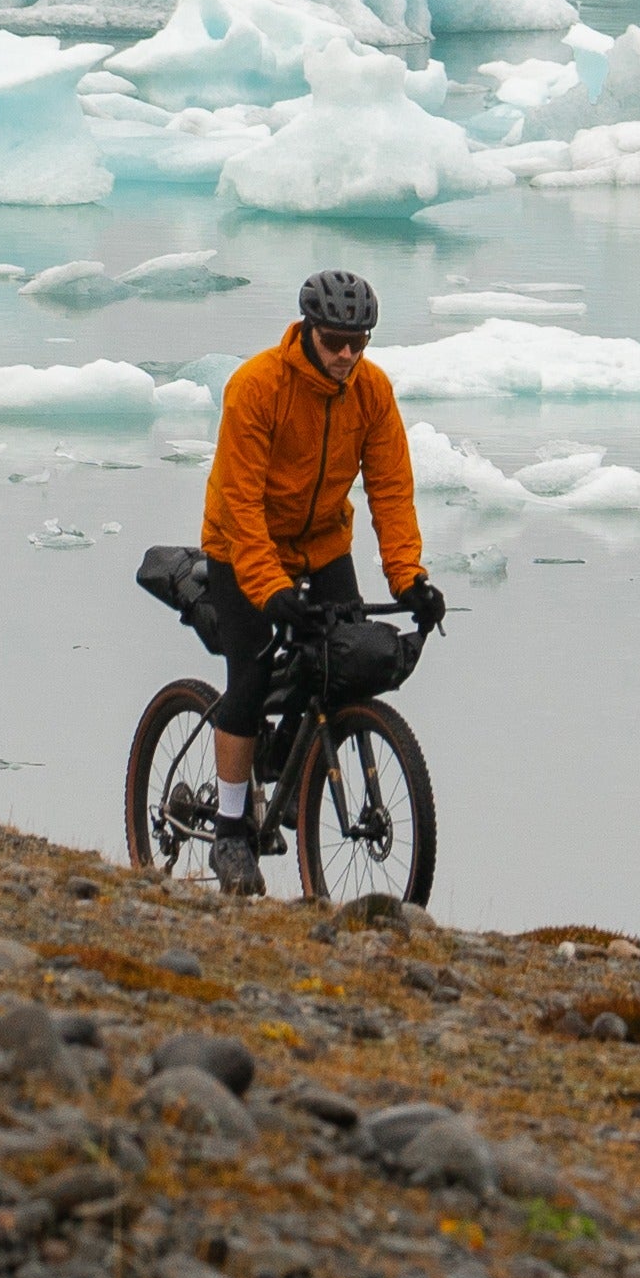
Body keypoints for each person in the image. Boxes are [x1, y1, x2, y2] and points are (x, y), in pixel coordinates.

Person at [196, 268, 438, 894]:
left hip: (323, 545)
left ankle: (292, 767)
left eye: (360, 342)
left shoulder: (370, 391)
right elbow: (240, 503)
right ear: (307, 331)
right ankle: (229, 831)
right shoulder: (256, 388)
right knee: (248, 675)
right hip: (240, 547)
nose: (348, 356)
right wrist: (270, 588)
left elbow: (390, 489)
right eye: (335, 341)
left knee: (344, 663)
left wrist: (409, 577)